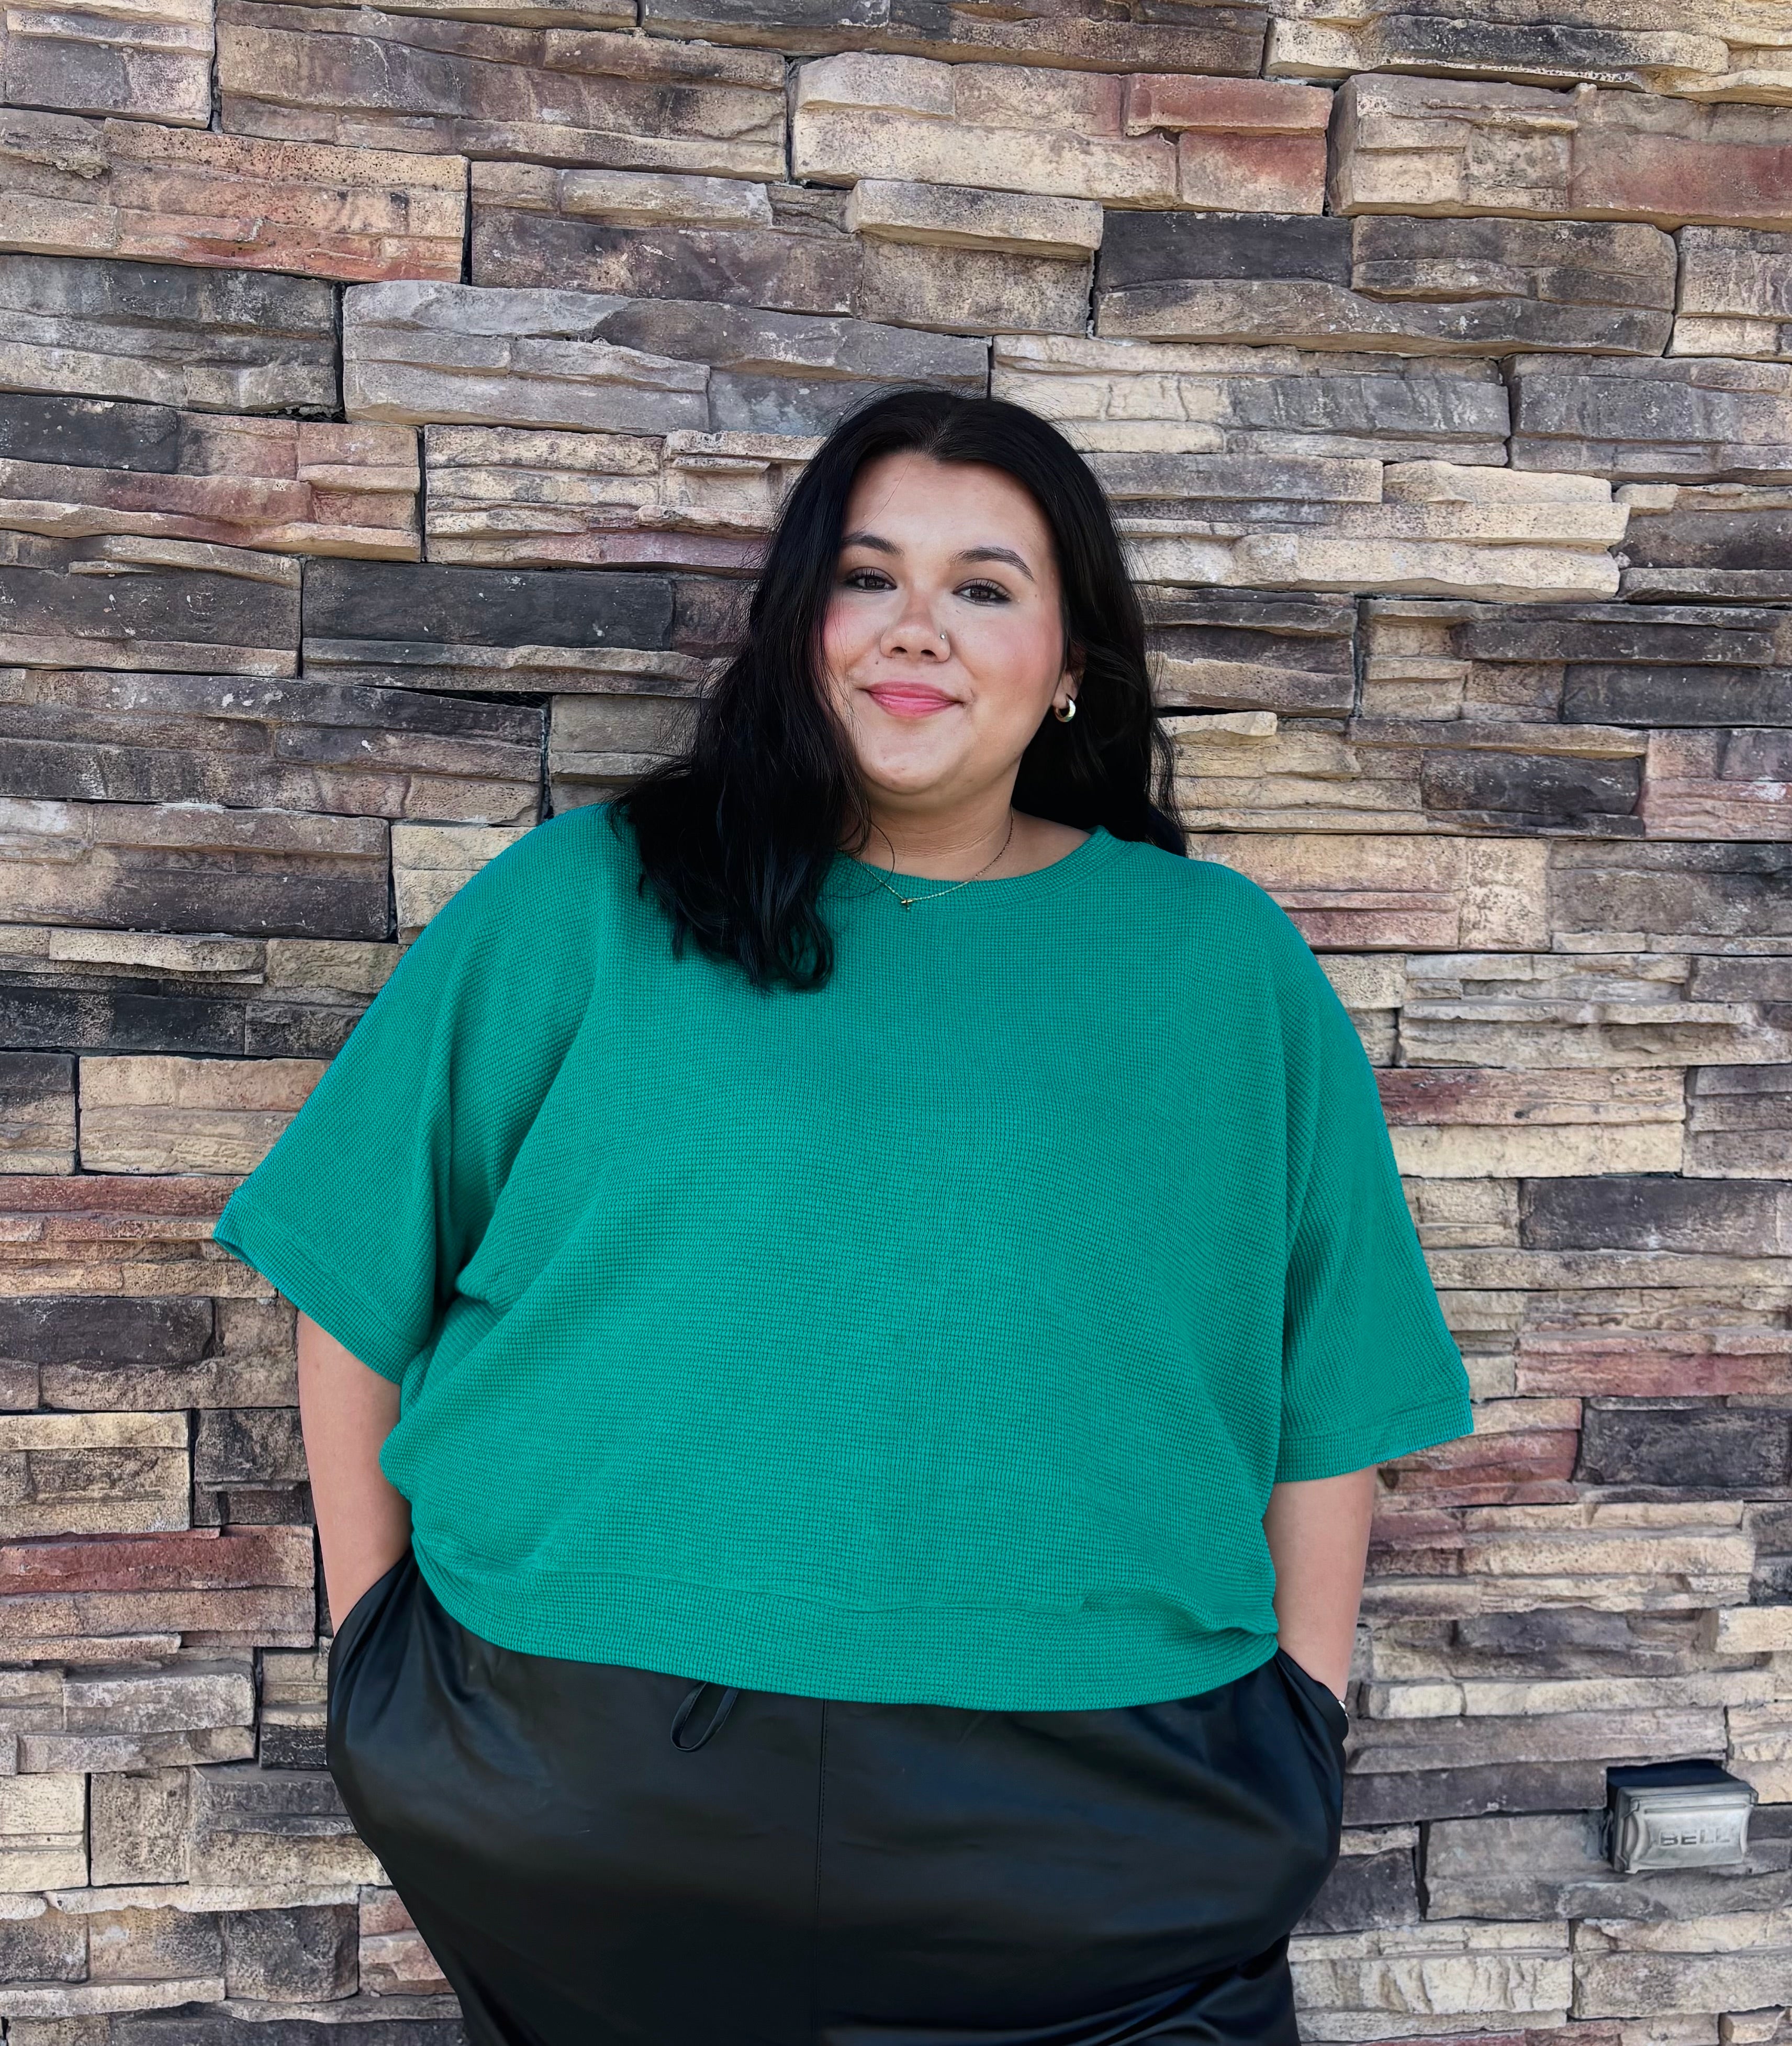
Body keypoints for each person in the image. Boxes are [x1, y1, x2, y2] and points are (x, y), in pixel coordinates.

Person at [211, 387, 1474, 2046]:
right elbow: (352, 1268)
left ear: (1072, 662)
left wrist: (1301, 1723)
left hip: (1119, 1814)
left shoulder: (1217, 964)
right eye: (868, 577)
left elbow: (1336, 1379)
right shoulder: (591, 899)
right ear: (801, 624)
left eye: (985, 587)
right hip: (592, 1791)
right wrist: (376, 1656)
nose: (916, 629)